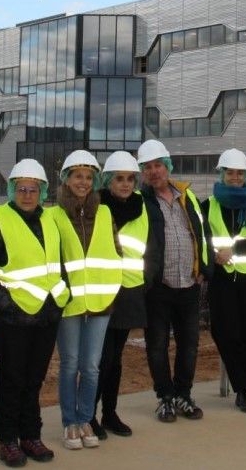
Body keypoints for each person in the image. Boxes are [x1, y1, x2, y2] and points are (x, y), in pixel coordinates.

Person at [0, 159, 65, 466]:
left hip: (44, 317)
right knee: (12, 379)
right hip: (11, 320)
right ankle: (8, 439)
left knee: (35, 380)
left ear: (42, 191)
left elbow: (58, 263)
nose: (27, 194)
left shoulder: (50, 220)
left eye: (33, 189)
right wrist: (4, 302)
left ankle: (30, 435)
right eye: (21, 188)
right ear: (12, 190)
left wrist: (60, 299)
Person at [46, 150, 122, 450]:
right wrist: (59, 291)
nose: (84, 182)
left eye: (89, 177)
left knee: (91, 366)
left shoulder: (104, 212)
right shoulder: (53, 214)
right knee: (70, 364)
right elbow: (50, 258)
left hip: (101, 299)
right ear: (66, 179)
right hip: (69, 301)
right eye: (78, 176)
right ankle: (69, 423)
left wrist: (113, 285)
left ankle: (86, 419)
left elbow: (117, 251)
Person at [137, 139, 212, 421]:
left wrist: (204, 267)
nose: (154, 171)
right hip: (159, 287)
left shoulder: (187, 196)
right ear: (143, 173)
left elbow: (203, 231)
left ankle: (183, 394)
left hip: (189, 284)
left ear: (167, 167)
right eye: (148, 167)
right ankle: (165, 397)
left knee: (189, 344)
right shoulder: (141, 202)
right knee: (157, 345)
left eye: (158, 165)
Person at [91, 151, 160, 437]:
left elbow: (152, 246)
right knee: (99, 358)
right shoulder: (96, 206)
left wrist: (144, 280)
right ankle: (88, 415)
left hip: (130, 290)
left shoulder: (142, 206)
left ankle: (109, 413)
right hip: (101, 291)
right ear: (107, 180)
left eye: (130, 179)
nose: (125, 184)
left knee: (115, 358)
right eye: (118, 179)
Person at [202, 148, 246, 413]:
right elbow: (201, 241)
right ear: (221, 174)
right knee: (224, 332)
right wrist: (214, 256)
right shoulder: (208, 205)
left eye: (239, 173)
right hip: (222, 279)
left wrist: (235, 251)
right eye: (230, 172)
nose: (235, 177)